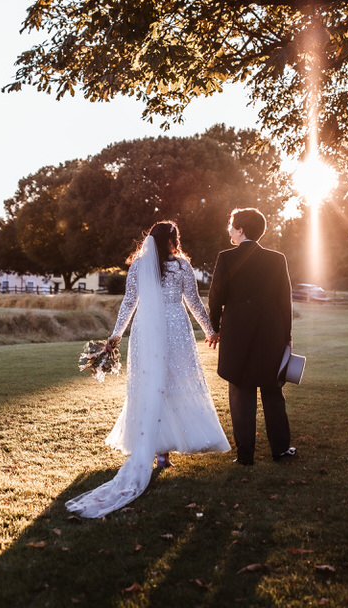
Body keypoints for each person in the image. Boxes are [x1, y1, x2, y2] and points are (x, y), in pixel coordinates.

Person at [66, 221, 230, 518]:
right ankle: (163, 453)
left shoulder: (139, 266)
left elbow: (130, 302)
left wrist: (116, 335)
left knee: (150, 384)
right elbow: (192, 301)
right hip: (175, 327)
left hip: (146, 329)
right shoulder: (181, 267)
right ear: (173, 240)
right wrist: (210, 329)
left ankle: (159, 451)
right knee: (173, 382)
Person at [206, 208, 296, 466]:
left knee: (240, 392)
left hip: (237, 334)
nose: (230, 231)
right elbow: (284, 301)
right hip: (272, 333)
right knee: (273, 393)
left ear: (241, 229)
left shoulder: (225, 258)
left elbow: (216, 297)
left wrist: (214, 328)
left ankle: (245, 455)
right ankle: (280, 449)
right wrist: (287, 336)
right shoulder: (277, 259)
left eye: (232, 226)